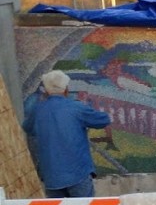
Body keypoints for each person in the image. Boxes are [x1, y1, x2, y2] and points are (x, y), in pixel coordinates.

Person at [21, 70, 111, 198]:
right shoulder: (76, 107)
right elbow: (103, 120)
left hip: (51, 176)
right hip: (78, 173)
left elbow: (28, 128)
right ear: (66, 89)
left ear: (46, 91)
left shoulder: (37, 110)